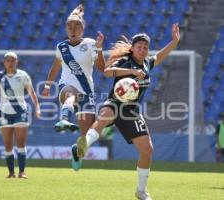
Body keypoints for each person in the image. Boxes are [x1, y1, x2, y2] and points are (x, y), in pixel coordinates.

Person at [75, 24, 180, 200]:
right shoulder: (125, 61)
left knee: (147, 150)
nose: (143, 49)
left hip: (132, 111)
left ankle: (141, 191)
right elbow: (107, 72)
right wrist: (131, 71)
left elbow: (162, 54)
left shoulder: (147, 63)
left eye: (146, 47)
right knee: (103, 118)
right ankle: (83, 145)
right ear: (132, 48)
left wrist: (175, 41)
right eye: (139, 46)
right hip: (115, 103)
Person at [42, 5, 105, 170]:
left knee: (87, 136)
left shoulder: (91, 44)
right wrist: (48, 85)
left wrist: (99, 48)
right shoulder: (61, 47)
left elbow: (101, 68)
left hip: (87, 93)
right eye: (69, 27)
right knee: (72, 94)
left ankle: (78, 151)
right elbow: (55, 67)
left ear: (83, 29)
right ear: (66, 30)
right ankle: (64, 118)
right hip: (66, 87)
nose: (73, 29)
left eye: (77, 26)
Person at [0, 52, 41, 179]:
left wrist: (37, 107)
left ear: (17, 62)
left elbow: (32, 92)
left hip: (21, 112)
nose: (10, 63)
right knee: (8, 144)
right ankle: (11, 173)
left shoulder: (23, 75)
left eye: (13, 60)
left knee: (20, 143)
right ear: (4, 62)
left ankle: (22, 172)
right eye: (8, 60)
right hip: (5, 112)